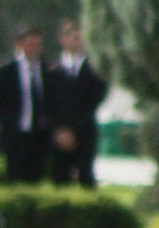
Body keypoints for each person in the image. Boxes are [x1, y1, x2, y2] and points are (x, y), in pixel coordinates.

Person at [47, 19, 107, 187]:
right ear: (61, 39)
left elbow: (94, 101)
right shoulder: (51, 70)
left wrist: (74, 130)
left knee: (86, 179)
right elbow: (47, 104)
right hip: (58, 135)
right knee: (59, 180)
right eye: (70, 35)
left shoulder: (94, 69)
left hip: (85, 132)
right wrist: (59, 130)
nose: (75, 39)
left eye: (78, 36)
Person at [0, 24, 49, 183]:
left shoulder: (46, 69)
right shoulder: (6, 70)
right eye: (30, 44)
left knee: (36, 178)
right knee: (14, 178)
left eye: (38, 45)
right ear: (19, 44)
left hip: (39, 135)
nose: (34, 49)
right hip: (15, 135)